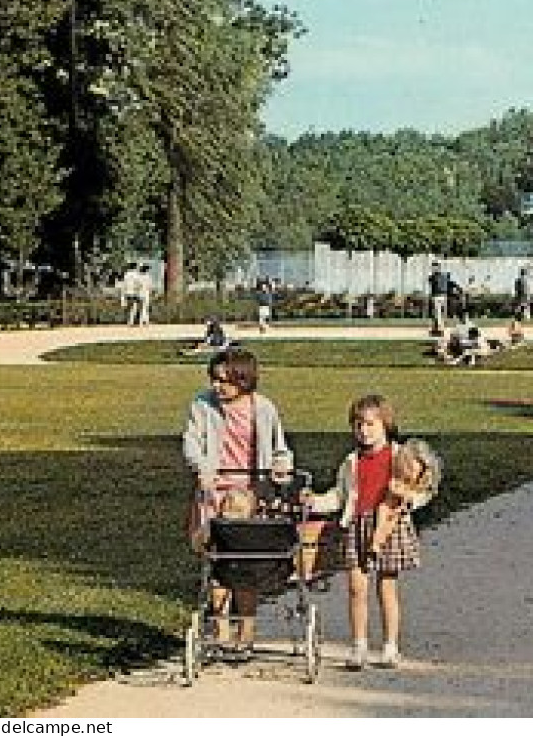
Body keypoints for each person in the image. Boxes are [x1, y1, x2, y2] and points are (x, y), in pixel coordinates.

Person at [308, 394, 435, 671]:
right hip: (357, 524)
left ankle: (390, 646)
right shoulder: (352, 461)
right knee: (357, 588)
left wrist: (410, 500)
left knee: (387, 587)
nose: (363, 431)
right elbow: (341, 496)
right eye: (358, 425)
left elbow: (422, 486)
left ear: (385, 424)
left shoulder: (400, 455)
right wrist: (315, 502)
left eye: (369, 424)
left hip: (389, 524)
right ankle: (359, 645)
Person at [182, 349, 292, 658]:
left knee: (245, 562)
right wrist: (202, 467)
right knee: (217, 561)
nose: (218, 387)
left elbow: (280, 449)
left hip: (249, 493)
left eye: (225, 381)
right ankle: (221, 630)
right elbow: (191, 441)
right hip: (215, 491)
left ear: (242, 380)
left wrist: (280, 468)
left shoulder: (264, 409)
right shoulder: (202, 405)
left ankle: (247, 629)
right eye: (214, 380)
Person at [426, 263, 449, 335]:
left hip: (437, 296)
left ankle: (439, 329)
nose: (433, 269)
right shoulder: (443, 276)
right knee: (441, 313)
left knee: (438, 313)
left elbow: (430, 280)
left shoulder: (433, 277)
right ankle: (439, 328)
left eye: (434, 267)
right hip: (443, 296)